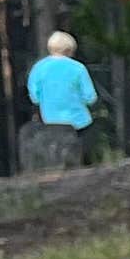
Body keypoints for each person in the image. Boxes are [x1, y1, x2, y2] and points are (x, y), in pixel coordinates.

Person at [24, 28, 95, 170]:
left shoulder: (38, 68)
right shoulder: (78, 68)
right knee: (85, 152)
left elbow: (34, 97)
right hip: (78, 122)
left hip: (50, 120)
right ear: (70, 49)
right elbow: (90, 97)